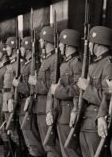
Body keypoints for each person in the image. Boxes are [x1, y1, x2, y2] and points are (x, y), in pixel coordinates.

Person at [77, 26, 112, 157]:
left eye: (90, 42)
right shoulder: (93, 64)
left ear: (97, 43)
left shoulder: (109, 64)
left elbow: (108, 98)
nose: (89, 46)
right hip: (85, 121)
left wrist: (87, 88)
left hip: (96, 123)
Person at [28, 26, 62, 157]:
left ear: (46, 41)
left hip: (47, 107)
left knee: (51, 147)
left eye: (41, 40)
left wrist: (35, 83)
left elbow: (52, 87)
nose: (39, 43)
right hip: (40, 106)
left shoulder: (54, 59)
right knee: (45, 144)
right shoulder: (47, 59)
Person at [48, 29, 82, 157]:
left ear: (67, 45)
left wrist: (58, 90)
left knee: (70, 152)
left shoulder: (76, 63)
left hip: (69, 113)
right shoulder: (65, 63)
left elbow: (79, 89)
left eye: (61, 44)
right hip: (60, 112)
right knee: (64, 151)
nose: (59, 47)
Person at [12, 36, 46, 157]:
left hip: (29, 106)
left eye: (21, 47)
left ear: (27, 48)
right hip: (23, 105)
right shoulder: (26, 64)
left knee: (33, 142)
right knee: (28, 141)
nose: (19, 49)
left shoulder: (34, 64)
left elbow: (30, 89)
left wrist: (18, 84)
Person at [0, 47, 12, 156]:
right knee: (0, 127)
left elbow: (6, 89)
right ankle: (7, 150)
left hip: (2, 101)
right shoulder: (0, 69)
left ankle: (8, 152)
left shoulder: (7, 68)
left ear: (4, 55)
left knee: (4, 127)